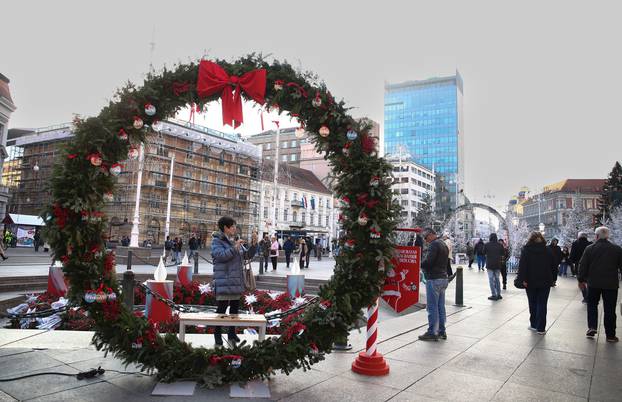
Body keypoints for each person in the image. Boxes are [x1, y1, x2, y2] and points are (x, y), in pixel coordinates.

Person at [578, 226, 622, 342]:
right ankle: (610, 335)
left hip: (593, 283)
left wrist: (581, 280)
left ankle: (592, 327)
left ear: (596, 236)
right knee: (610, 309)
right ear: (608, 236)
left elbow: (582, 265)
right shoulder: (617, 249)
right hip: (611, 284)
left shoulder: (590, 248)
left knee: (592, 305)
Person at [211, 216, 244, 346]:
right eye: (233, 226)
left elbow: (245, 255)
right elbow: (220, 256)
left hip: (235, 280)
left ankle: (232, 332)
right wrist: (235, 247)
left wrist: (253, 246)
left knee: (235, 309)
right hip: (224, 279)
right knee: (222, 308)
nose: (235, 229)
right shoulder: (216, 241)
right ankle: (217, 334)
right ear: (226, 227)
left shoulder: (232, 240)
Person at [517, 231, 557, 335]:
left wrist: (522, 279)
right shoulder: (548, 250)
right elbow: (554, 266)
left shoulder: (526, 250)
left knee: (532, 303)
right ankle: (541, 328)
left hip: (530, 282)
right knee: (542, 304)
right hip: (545, 281)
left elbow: (522, 267)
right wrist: (553, 279)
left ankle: (534, 324)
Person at [418, 228, 449, 341]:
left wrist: (420, 264)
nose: (425, 241)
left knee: (432, 307)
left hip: (434, 279)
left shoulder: (434, 245)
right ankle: (441, 331)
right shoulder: (443, 244)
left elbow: (429, 262)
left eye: (426, 238)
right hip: (443, 278)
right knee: (440, 306)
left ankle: (432, 332)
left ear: (431, 235)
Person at [570, 232, 592, 302]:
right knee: (588, 281)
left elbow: (572, 255)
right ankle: (589, 295)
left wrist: (572, 262)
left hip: (578, 264)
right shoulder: (590, 244)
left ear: (578, 237)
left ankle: (585, 296)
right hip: (589, 265)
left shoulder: (575, 244)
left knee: (581, 282)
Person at [484, 233, 504, 300]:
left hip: (489, 264)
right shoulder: (500, 245)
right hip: (497, 264)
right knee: (497, 279)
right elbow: (503, 253)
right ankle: (499, 294)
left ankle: (493, 294)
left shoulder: (487, 245)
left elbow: (483, 252)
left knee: (491, 279)